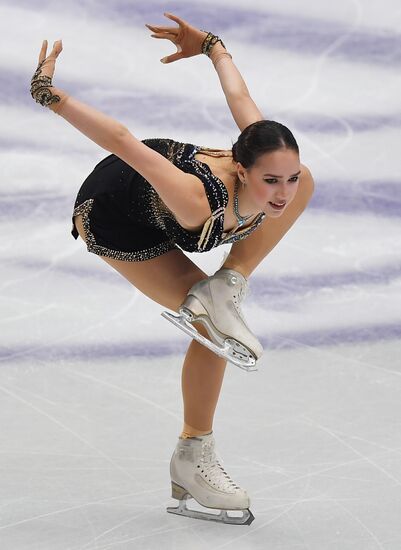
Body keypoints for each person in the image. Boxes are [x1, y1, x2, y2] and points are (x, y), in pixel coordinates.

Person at [30, 11, 315, 525]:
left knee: (303, 192)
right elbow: (122, 141)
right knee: (212, 330)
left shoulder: (267, 157)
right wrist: (53, 96)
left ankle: (227, 282)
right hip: (115, 213)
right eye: (272, 180)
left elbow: (239, 99)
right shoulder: (195, 200)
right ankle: (193, 455)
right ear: (242, 168)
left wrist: (212, 46)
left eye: (287, 178)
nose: (283, 192)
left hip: (156, 196)